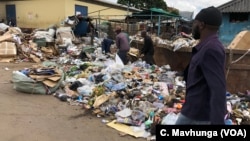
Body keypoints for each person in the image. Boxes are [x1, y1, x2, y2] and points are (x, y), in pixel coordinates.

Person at [175, 6, 226, 125]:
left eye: (195, 23)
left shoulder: (211, 49)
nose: (193, 27)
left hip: (198, 116)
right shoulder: (206, 46)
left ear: (201, 25)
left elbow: (218, 88)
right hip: (192, 111)